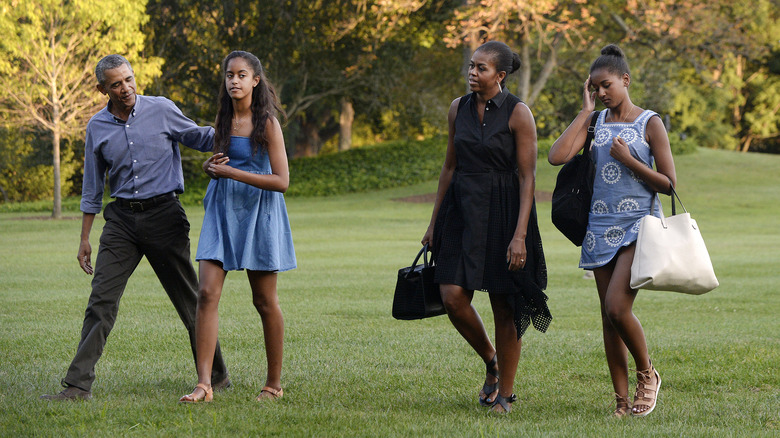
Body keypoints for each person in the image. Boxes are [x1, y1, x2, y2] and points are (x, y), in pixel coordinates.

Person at [41, 55, 230, 401]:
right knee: (101, 300)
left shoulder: (161, 108)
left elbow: (201, 138)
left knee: (190, 300)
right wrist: (84, 238)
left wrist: (242, 127)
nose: (125, 88)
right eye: (116, 83)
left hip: (165, 217)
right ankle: (78, 385)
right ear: (102, 89)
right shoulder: (97, 127)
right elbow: (92, 187)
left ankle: (216, 376)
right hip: (122, 222)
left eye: (128, 79)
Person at [421, 41, 552, 414]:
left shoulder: (518, 113)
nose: (472, 73)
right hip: (461, 209)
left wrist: (520, 236)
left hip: (505, 211)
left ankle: (506, 394)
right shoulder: (457, 109)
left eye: (480, 68)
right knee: (451, 295)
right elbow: (449, 166)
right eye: (471, 66)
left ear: (500, 75)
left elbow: (528, 178)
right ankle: (491, 361)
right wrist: (433, 224)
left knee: (504, 305)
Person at [548, 44, 676, 417]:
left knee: (618, 308)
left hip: (639, 226)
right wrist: (585, 112)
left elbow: (668, 184)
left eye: (606, 86)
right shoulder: (596, 120)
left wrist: (630, 160)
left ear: (625, 79)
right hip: (598, 227)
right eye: (595, 88)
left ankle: (647, 374)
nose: (602, 93)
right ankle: (621, 401)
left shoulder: (650, 122)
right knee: (608, 317)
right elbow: (557, 156)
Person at [179, 51, 296, 403]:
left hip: (259, 213)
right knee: (206, 294)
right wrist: (211, 169)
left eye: (242, 75)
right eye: (229, 75)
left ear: (255, 81)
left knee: (264, 300)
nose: (234, 81)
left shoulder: (269, 125)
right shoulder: (222, 121)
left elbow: (282, 181)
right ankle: (204, 384)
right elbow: (221, 165)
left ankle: (273, 384)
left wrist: (232, 173)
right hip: (222, 211)